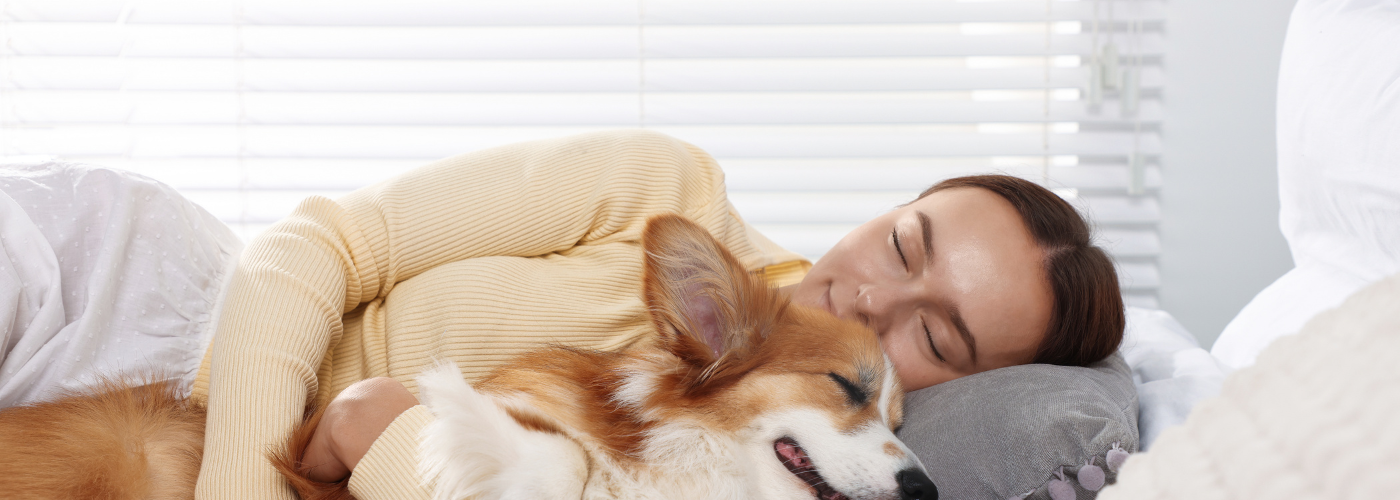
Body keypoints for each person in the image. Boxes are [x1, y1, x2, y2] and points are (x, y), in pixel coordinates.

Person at [1, 130, 1110, 499]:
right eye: (903, 242)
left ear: (963, 384)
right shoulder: (668, 193)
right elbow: (317, 246)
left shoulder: (789, 461)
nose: (870, 293)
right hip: (154, 303)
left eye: (934, 333)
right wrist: (240, 480)